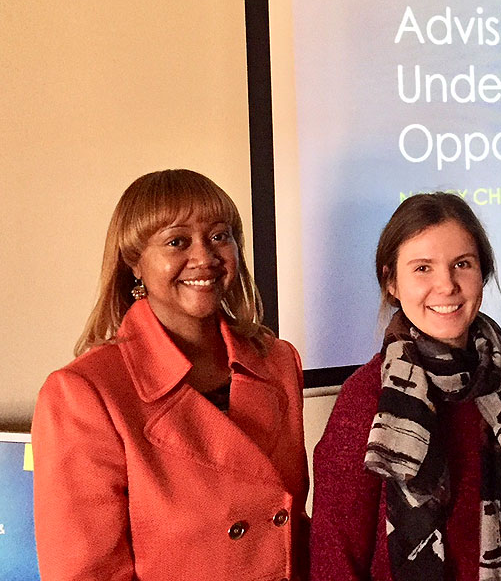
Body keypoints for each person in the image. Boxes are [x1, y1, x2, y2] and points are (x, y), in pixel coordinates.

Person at [32, 169, 309, 581]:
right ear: (134, 262)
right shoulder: (84, 394)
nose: (204, 258)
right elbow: (87, 573)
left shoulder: (278, 360)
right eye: (177, 241)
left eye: (219, 236)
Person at [310, 192, 501, 581]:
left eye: (462, 264)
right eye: (423, 268)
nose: (446, 285)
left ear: (483, 273)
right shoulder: (367, 398)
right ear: (391, 282)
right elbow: (336, 557)